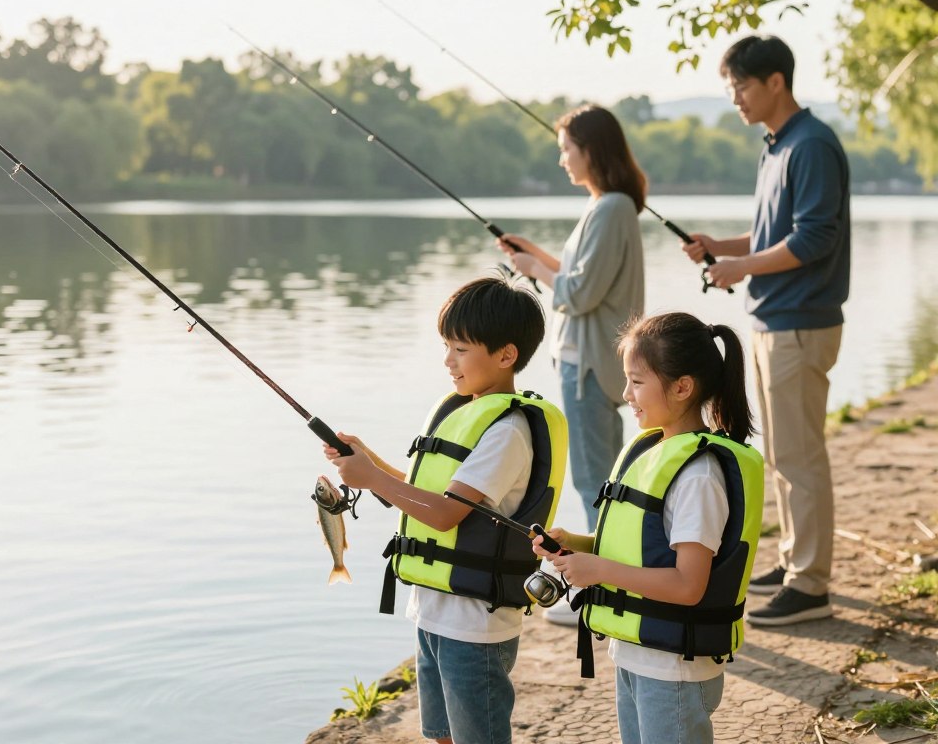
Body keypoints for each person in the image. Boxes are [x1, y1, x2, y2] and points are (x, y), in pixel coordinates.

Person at [323, 275, 568, 744]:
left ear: (506, 355)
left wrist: (371, 479)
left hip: (475, 625)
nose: (447, 361)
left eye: (460, 349)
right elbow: (426, 494)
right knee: (441, 734)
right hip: (434, 612)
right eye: (446, 346)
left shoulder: (507, 430)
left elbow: (444, 514)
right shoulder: (465, 412)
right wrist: (368, 460)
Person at [682, 35, 850, 626]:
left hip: (800, 323)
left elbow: (812, 239)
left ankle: (812, 584)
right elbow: (772, 234)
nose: (736, 99)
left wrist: (738, 268)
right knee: (781, 452)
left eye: (743, 86)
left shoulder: (811, 146)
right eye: (731, 89)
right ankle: (793, 560)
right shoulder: (776, 146)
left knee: (799, 455)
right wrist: (719, 248)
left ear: (776, 81)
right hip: (773, 320)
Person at [533, 312, 764, 744]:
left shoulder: (698, 476)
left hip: (674, 667)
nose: (625, 394)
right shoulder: (653, 451)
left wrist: (598, 571)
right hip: (637, 655)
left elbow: (687, 585)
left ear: (682, 387)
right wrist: (576, 546)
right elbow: (645, 549)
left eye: (637, 382)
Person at [497, 105, 645, 626]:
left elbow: (579, 293)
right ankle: (606, 580)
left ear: (591, 150)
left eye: (567, 148)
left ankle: (598, 590)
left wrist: (535, 268)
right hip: (588, 361)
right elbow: (583, 277)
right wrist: (536, 256)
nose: (561, 158)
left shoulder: (610, 209)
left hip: (588, 367)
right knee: (596, 475)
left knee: (592, 479)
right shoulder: (608, 207)